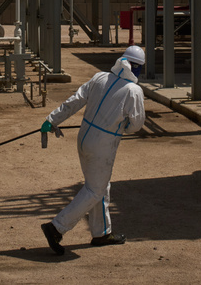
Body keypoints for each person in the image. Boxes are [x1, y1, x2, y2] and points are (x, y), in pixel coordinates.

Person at [40, 45, 146, 255]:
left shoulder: (100, 77)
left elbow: (75, 100)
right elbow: (137, 124)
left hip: (84, 138)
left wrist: (52, 120)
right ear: (137, 68)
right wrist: (123, 126)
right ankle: (57, 227)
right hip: (103, 145)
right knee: (94, 190)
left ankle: (101, 233)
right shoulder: (133, 91)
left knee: (99, 186)